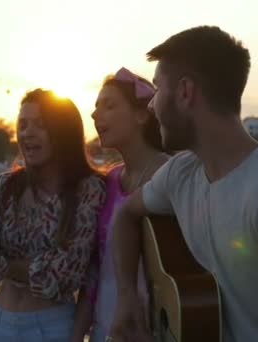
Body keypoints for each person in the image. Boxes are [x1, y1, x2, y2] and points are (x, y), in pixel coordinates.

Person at [108, 26, 258, 342]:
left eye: (158, 90)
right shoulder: (180, 175)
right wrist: (127, 297)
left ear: (186, 92)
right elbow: (125, 216)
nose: (150, 105)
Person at [0, 89, 106, 341]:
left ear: (63, 132)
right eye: (23, 124)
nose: (27, 132)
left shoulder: (87, 190)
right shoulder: (4, 187)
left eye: (41, 125)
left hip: (51, 327)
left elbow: (65, 274)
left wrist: (5, 265)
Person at [71, 67, 169, 342]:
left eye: (109, 105)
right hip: (106, 329)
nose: (94, 114)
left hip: (156, 330)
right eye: (95, 106)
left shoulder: (172, 178)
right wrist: (77, 333)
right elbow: (95, 269)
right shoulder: (110, 180)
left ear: (141, 114)